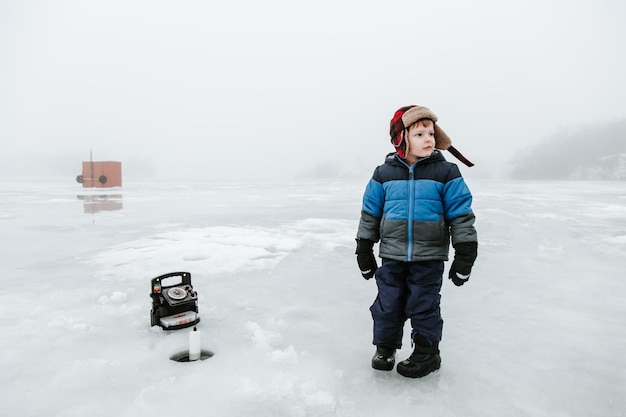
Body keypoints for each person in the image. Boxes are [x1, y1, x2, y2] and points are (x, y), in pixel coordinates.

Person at [355, 105, 478, 378]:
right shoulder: (383, 174)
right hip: (392, 254)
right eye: (420, 133)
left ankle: (427, 353)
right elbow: (370, 213)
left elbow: (461, 214)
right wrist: (364, 247)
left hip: (429, 256)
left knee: (424, 305)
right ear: (401, 139)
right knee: (388, 303)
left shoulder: (446, 173)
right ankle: (385, 347)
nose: (429, 139)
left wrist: (465, 252)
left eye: (431, 133)